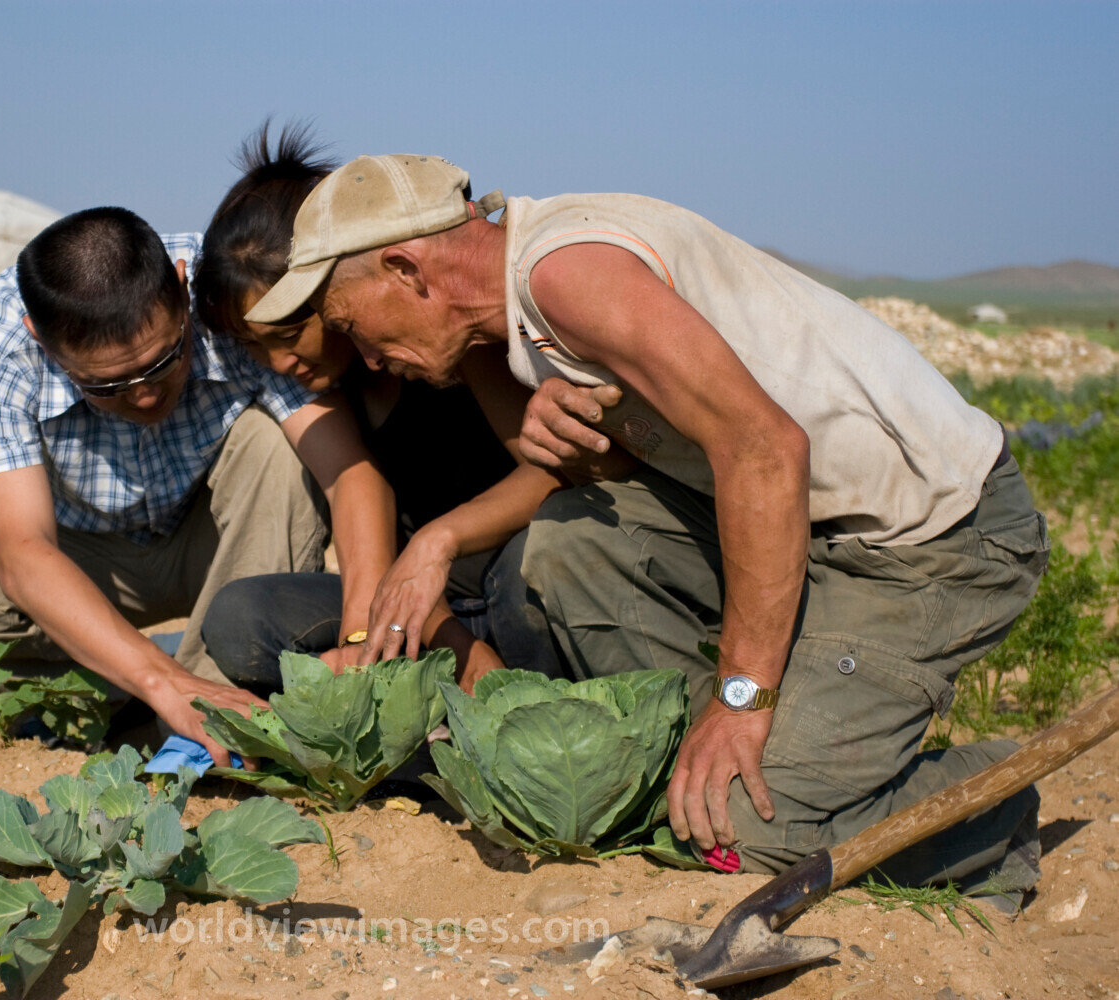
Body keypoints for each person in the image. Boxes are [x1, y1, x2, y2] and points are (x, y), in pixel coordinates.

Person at [244, 153, 1047, 897]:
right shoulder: (521, 313)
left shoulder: (569, 274)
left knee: (743, 833)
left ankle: (987, 804)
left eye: (351, 324)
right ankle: (726, 764)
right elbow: (632, 479)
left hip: (929, 542)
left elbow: (766, 451)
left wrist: (740, 699)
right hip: (815, 533)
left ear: (406, 269)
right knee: (569, 542)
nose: (368, 357)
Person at [0, 206, 397, 766]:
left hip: (219, 539)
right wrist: (162, 679)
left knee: (276, 446)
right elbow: (23, 553)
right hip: (81, 548)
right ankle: (143, 694)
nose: (143, 396)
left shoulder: (227, 288)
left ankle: (226, 705)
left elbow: (348, 472)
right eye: (107, 385)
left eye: (165, 361)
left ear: (179, 284)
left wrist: (366, 635)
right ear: (39, 338)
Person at [191, 125, 566, 692]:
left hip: (517, 586)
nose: (279, 362)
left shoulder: (449, 345)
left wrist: (436, 544)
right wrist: (385, 642)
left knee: (526, 570)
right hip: (428, 606)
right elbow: (368, 521)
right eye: (252, 345)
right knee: (243, 617)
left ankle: (523, 718)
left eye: (293, 331)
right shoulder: (331, 388)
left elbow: (551, 474)